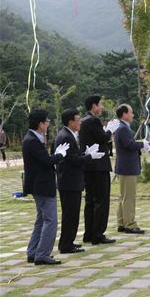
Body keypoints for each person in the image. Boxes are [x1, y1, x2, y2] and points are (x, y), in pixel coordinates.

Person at [23, 109, 69, 265]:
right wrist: (60, 155)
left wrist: (55, 155)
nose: (48, 125)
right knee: (50, 221)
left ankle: (33, 252)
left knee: (41, 220)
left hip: (40, 185)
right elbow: (46, 161)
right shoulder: (31, 140)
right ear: (40, 124)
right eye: (47, 122)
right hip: (42, 185)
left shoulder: (34, 138)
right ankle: (42, 254)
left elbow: (44, 159)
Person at [55, 109, 104, 254]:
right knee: (70, 214)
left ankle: (68, 241)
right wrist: (89, 157)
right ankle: (65, 244)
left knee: (72, 214)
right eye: (78, 120)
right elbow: (73, 160)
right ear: (71, 122)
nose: (80, 123)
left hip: (71, 181)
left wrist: (86, 153)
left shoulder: (68, 135)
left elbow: (75, 155)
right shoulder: (66, 137)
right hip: (69, 181)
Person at [79, 95, 120, 245]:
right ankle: (98, 233)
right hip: (98, 165)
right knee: (101, 200)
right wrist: (109, 131)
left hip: (88, 166)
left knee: (90, 200)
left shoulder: (83, 121)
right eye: (100, 105)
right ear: (94, 106)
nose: (102, 107)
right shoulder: (93, 120)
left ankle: (89, 233)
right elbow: (102, 138)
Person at [114, 104, 149, 234]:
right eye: (131, 112)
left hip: (124, 166)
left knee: (123, 196)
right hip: (127, 167)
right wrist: (142, 144)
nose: (132, 115)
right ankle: (130, 223)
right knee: (129, 196)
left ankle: (122, 221)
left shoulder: (123, 128)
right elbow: (129, 144)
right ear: (124, 114)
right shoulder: (122, 128)